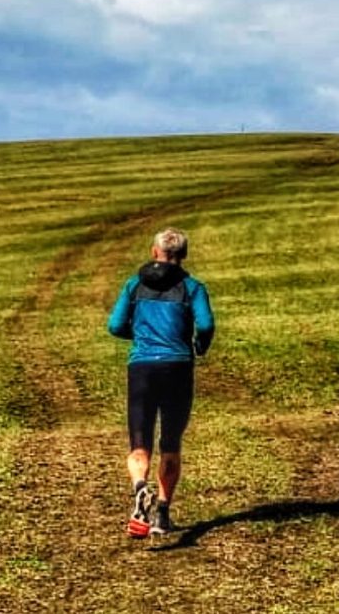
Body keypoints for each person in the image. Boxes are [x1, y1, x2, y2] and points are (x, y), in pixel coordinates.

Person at [107, 227, 215, 538]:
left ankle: (140, 486)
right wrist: (198, 345)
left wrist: (140, 337)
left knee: (139, 443)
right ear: (183, 256)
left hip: (141, 367)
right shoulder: (192, 287)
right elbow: (206, 324)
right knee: (170, 443)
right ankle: (163, 513)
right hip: (177, 368)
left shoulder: (134, 285)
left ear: (154, 252)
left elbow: (115, 325)